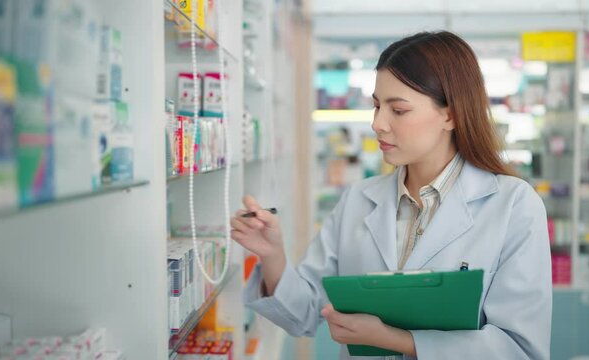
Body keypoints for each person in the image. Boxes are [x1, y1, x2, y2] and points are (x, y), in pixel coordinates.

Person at [230, 31, 551, 360]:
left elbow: (520, 349)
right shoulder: (359, 200)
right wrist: (272, 255)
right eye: (376, 106)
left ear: (450, 114)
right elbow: (304, 313)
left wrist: (398, 340)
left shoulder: (512, 204)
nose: (377, 124)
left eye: (397, 110)